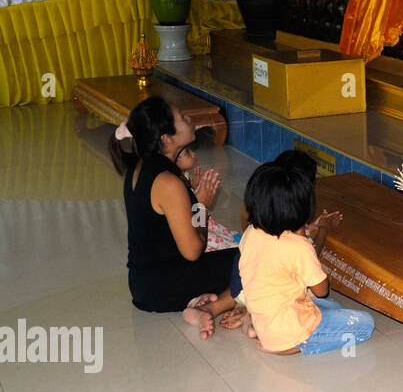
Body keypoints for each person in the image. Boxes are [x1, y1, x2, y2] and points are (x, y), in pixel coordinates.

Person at [109, 96, 238, 339]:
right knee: (249, 260)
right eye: (182, 117)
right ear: (166, 138)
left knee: (234, 256)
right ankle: (212, 306)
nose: (189, 119)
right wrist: (202, 206)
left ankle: (200, 299)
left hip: (143, 283)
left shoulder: (141, 167)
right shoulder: (168, 182)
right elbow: (193, 251)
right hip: (164, 286)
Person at [238, 162, 373, 356]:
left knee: (334, 307)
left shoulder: (252, 232)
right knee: (365, 324)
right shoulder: (297, 246)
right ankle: (292, 346)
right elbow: (321, 290)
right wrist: (317, 232)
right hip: (288, 331)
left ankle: (261, 331)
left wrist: (311, 229)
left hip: (264, 317)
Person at [219, 149, 342, 332]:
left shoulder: (258, 219)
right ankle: (254, 318)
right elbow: (314, 279)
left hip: (245, 289)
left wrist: (311, 227)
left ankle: (248, 311)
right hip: (268, 300)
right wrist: (323, 230)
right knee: (329, 307)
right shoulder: (296, 238)